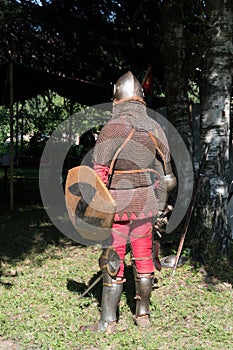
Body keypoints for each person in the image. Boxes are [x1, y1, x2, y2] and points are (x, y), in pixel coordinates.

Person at [80, 71, 176, 334]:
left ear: (116, 97)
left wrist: (96, 208)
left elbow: (98, 175)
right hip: (145, 204)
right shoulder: (155, 127)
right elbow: (168, 179)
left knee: (112, 258)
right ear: (141, 98)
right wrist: (160, 207)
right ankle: (143, 316)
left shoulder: (112, 127)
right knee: (144, 258)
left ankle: (107, 321)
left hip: (117, 204)